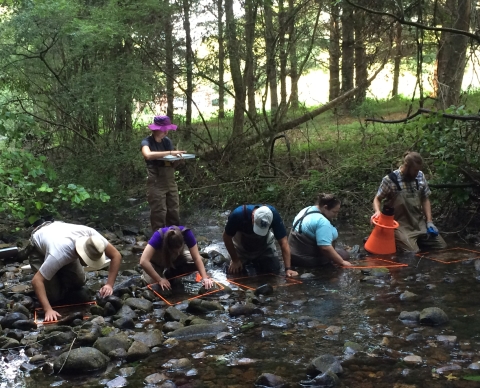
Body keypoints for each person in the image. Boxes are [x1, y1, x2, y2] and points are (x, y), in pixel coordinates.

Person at [29, 221, 122, 322]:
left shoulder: (94, 239)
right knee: (53, 297)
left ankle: (55, 273)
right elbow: (36, 281)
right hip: (38, 246)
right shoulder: (60, 254)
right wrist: (48, 310)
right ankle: (53, 276)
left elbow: (116, 255)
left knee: (79, 282)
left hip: (56, 234)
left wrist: (109, 284)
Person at [372, 151, 447, 252]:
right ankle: (395, 240)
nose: (417, 173)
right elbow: (377, 199)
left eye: (418, 170)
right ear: (406, 166)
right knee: (413, 252)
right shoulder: (390, 180)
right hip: (400, 226)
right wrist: (377, 212)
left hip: (419, 224)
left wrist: (429, 221)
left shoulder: (420, 176)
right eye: (415, 170)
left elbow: (425, 198)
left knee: (442, 247)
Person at [223, 205, 298, 277]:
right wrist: (235, 260)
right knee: (234, 272)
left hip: (264, 247)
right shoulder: (238, 214)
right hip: (240, 247)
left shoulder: (274, 215)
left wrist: (288, 269)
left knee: (274, 270)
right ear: (253, 216)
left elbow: (284, 242)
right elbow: (226, 237)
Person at [141, 116, 186, 231]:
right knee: (159, 212)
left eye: (167, 129)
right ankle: (158, 242)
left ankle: (174, 239)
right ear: (155, 129)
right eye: (163, 129)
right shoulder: (147, 142)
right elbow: (147, 155)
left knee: (174, 210)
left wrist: (178, 159)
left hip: (170, 180)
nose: (166, 132)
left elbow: (170, 162)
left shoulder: (167, 141)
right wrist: (171, 152)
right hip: (156, 181)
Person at [139, 225, 214, 290]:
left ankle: (171, 273)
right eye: (175, 252)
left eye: (179, 250)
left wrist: (204, 278)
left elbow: (196, 258)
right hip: (156, 263)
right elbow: (143, 261)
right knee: (162, 290)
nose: (177, 253)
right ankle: (150, 275)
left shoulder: (187, 233)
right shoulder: (158, 236)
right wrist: (159, 279)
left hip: (176, 261)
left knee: (200, 261)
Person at [288, 193, 353, 268]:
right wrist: (342, 262)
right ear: (325, 207)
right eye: (334, 212)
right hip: (307, 260)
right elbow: (325, 248)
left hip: (292, 256)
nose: (336, 215)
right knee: (344, 254)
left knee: (339, 250)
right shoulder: (322, 222)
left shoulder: (306, 209)